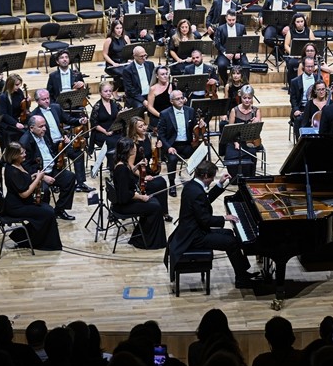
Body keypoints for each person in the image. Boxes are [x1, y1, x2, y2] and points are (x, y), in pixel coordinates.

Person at [165, 159, 260, 289]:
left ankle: (242, 273)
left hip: (193, 230)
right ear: (205, 176)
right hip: (194, 236)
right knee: (230, 242)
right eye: (212, 178)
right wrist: (225, 217)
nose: (212, 180)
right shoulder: (196, 192)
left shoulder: (192, 186)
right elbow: (205, 220)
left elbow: (206, 200)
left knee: (229, 233)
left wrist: (220, 184)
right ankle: (241, 279)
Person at [0, 143, 62, 250]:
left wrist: (34, 176)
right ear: (14, 155)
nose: (25, 154)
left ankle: (35, 239)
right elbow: (24, 194)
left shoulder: (18, 164)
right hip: (16, 207)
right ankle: (27, 239)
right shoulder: (12, 171)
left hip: (23, 203)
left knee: (49, 210)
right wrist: (38, 179)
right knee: (48, 213)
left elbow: (25, 179)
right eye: (22, 153)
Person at [109, 137, 166, 249]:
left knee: (155, 202)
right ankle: (145, 241)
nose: (134, 149)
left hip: (125, 202)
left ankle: (139, 237)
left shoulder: (122, 164)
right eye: (132, 148)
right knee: (155, 207)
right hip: (123, 206)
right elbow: (125, 195)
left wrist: (137, 167)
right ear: (127, 150)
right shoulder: (122, 169)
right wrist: (141, 197)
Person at [20, 115, 77, 220]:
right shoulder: (25, 142)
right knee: (45, 190)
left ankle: (59, 210)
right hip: (37, 174)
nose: (44, 129)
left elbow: (51, 149)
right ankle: (45, 216)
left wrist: (63, 143)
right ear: (31, 128)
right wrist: (42, 177)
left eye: (45, 126)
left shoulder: (44, 134)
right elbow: (25, 166)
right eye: (41, 126)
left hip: (52, 168)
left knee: (70, 177)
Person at [157, 89, 199, 193]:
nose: (181, 100)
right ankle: (172, 184)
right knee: (172, 160)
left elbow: (194, 127)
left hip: (187, 144)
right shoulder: (165, 114)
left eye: (182, 98)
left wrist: (201, 126)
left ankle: (196, 180)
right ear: (172, 101)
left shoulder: (190, 111)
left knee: (201, 154)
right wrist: (168, 147)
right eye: (177, 99)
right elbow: (161, 134)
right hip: (172, 145)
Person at [129, 117, 169, 216]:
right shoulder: (133, 144)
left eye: (144, 125)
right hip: (137, 174)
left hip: (146, 170)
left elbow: (151, 154)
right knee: (156, 184)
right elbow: (130, 165)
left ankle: (163, 211)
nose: (144, 128)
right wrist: (143, 177)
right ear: (134, 129)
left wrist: (157, 148)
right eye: (140, 126)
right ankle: (152, 210)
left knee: (162, 182)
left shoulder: (147, 137)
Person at [224, 85, 263, 179]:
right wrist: (236, 143)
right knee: (231, 156)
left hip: (250, 141)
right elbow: (230, 131)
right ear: (240, 97)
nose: (247, 100)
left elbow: (258, 131)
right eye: (244, 98)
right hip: (234, 141)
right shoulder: (235, 110)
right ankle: (234, 178)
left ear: (252, 98)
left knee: (252, 154)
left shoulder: (256, 111)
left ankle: (249, 177)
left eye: (249, 98)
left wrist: (257, 122)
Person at [213, 10, 249, 84]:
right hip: (225, 53)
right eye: (229, 20)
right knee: (221, 65)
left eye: (233, 20)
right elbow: (217, 43)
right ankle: (227, 83)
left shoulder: (241, 27)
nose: (231, 22)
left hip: (238, 53)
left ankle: (244, 84)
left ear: (236, 18)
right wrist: (225, 53)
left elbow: (245, 41)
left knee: (246, 65)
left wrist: (240, 53)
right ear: (226, 18)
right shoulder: (220, 28)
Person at [89, 80, 123, 153]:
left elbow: (120, 117)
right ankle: (111, 163)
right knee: (113, 142)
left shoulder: (115, 103)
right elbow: (94, 124)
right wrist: (105, 132)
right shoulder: (97, 106)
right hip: (102, 133)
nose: (108, 93)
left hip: (115, 131)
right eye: (106, 91)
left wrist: (122, 113)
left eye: (110, 91)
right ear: (100, 93)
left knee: (125, 141)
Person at [0, 74, 28, 148]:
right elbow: (4, 114)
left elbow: (22, 108)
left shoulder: (19, 92)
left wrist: (26, 102)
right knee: (23, 132)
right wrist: (15, 123)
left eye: (19, 84)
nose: (18, 87)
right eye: (16, 85)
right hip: (8, 122)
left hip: (17, 118)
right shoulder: (3, 97)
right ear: (10, 85)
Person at [281, 12, 313, 81]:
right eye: (298, 22)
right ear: (294, 22)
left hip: (306, 56)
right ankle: (292, 85)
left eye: (302, 21)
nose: (300, 23)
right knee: (291, 63)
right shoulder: (290, 32)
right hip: (294, 56)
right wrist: (293, 53)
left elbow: (313, 44)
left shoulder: (309, 31)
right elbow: (286, 45)